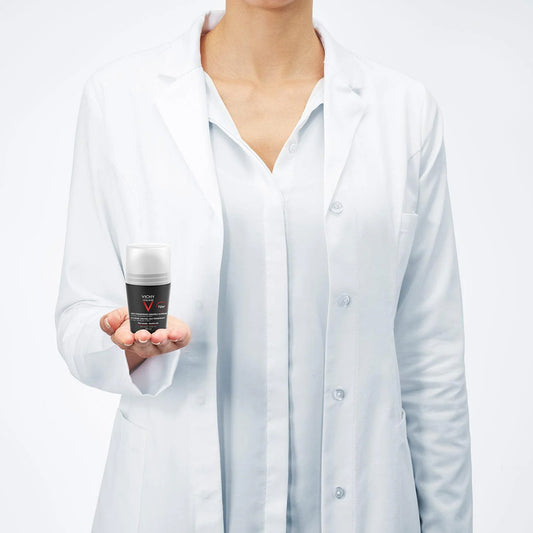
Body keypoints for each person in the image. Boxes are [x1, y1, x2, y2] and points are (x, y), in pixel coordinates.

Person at [55, 2, 473, 533]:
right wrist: (129, 346)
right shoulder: (120, 100)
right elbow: (80, 311)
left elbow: (431, 360)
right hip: (171, 504)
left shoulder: (404, 112)